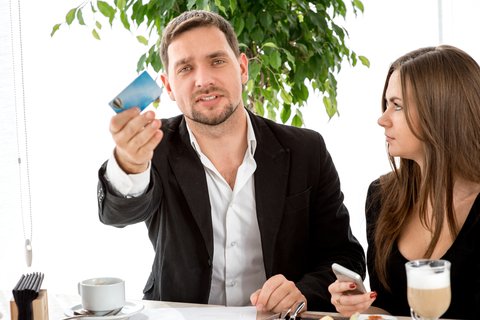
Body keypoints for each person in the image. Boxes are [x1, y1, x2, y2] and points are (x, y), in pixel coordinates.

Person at [97, 9, 365, 313]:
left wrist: (303, 292)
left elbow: (345, 257)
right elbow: (115, 215)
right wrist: (129, 164)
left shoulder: (306, 149)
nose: (203, 80)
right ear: (168, 86)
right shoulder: (155, 150)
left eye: (217, 61)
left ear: (242, 68)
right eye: (185, 68)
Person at [328, 45, 480, 319]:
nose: (382, 119)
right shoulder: (382, 196)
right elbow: (391, 310)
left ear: (442, 112)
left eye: (396, 106)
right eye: (386, 104)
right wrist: (360, 307)